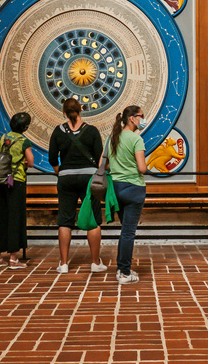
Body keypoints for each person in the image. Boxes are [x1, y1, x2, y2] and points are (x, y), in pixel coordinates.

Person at [48, 98, 106, 275]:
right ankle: (95, 263)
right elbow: (100, 158)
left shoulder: (58, 131)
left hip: (65, 178)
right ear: (81, 110)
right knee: (93, 219)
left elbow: (52, 158)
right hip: (89, 178)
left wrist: (61, 171)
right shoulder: (92, 131)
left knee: (65, 220)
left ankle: (64, 263)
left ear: (64, 112)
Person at [107, 104, 147, 284]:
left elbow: (105, 164)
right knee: (128, 233)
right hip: (134, 189)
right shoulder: (136, 139)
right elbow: (142, 168)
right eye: (141, 116)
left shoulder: (112, 138)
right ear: (132, 118)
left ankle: (121, 269)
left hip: (116, 189)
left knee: (125, 231)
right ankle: (124, 272)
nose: (142, 119)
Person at [0, 112, 33, 270]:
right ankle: (13, 259)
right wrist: (24, 162)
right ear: (25, 127)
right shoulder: (23, 141)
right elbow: (32, 162)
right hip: (16, 181)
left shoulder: (3, 138)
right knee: (15, 218)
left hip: (0, 181)